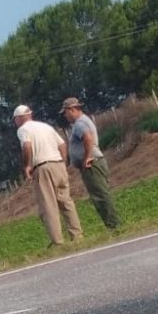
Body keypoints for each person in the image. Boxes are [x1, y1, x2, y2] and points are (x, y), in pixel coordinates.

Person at [12, 104, 83, 246]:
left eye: (15, 119)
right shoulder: (45, 126)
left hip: (43, 166)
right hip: (58, 163)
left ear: (19, 118)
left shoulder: (23, 130)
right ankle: (77, 235)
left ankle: (57, 241)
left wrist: (27, 165)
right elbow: (62, 144)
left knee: (48, 205)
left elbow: (27, 146)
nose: (15, 122)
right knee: (66, 201)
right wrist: (63, 161)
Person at [62, 97, 121, 230]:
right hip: (94, 162)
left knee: (100, 195)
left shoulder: (79, 124)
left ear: (72, 110)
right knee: (100, 194)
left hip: (92, 164)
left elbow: (88, 138)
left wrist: (87, 157)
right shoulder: (84, 121)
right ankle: (111, 223)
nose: (65, 116)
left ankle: (113, 224)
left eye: (65, 112)